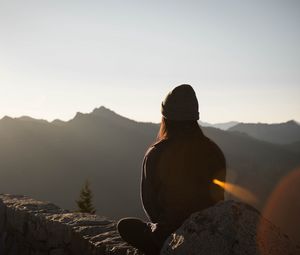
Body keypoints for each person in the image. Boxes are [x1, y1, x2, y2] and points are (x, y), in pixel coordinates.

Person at [117, 84, 226, 255]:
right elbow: (219, 198)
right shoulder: (214, 152)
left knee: (125, 226)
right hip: (208, 232)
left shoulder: (156, 153)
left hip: (169, 236)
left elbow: (150, 206)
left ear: (165, 118)